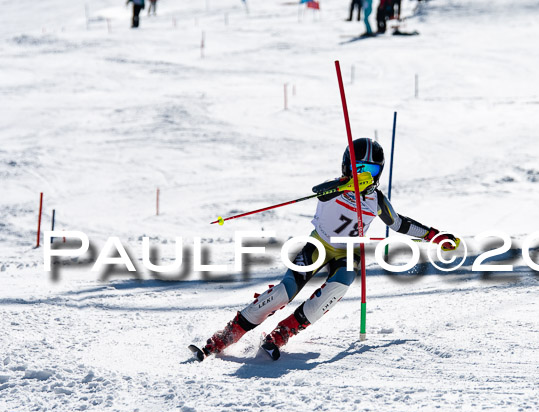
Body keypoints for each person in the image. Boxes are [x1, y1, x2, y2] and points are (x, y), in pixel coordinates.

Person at [190, 138, 459, 361]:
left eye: (372, 171)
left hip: (348, 253)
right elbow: (320, 192)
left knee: (338, 286)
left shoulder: (376, 200)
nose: (365, 175)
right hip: (318, 244)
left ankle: (283, 333)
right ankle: (225, 336)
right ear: (346, 166)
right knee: (284, 293)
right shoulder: (336, 188)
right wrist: (348, 184)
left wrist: (435, 236)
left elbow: (399, 223)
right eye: (359, 168)